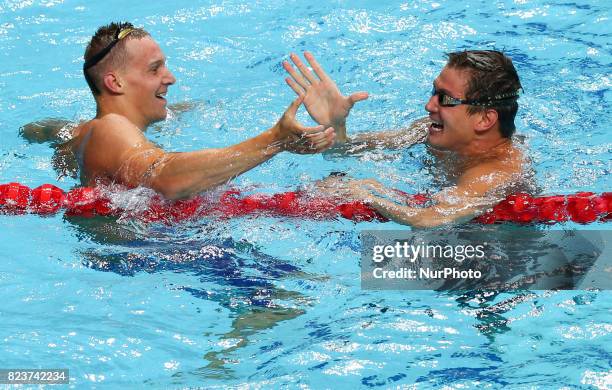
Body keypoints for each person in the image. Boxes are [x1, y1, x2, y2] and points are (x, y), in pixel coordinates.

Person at [21, 22, 336, 200]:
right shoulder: (111, 128)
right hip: (161, 254)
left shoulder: (86, 131)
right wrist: (273, 140)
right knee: (358, 196)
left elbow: (40, 129)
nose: (170, 78)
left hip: (152, 252)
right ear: (114, 82)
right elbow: (163, 176)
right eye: (155, 69)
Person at [283, 50, 534, 228]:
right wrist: (335, 126)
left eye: (444, 99)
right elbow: (342, 152)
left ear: (484, 120)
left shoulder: (497, 172)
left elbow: (429, 220)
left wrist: (366, 195)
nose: (429, 105)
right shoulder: (431, 130)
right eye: (433, 92)